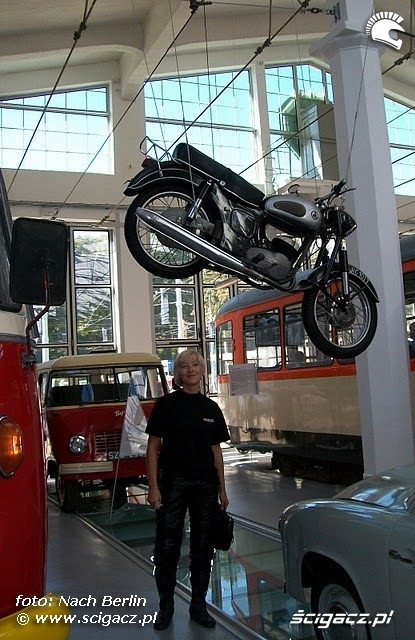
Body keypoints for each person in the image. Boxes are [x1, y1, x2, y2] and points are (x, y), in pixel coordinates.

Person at [145, 349, 229, 631]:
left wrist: (223, 489)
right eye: (184, 366)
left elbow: (216, 451)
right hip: (173, 484)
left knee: (203, 548)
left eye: (195, 365)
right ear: (178, 373)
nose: (190, 369)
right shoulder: (165, 405)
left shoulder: (211, 408)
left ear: (202, 370)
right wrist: (153, 487)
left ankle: (199, 606)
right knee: (167, 546)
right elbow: (153, 448)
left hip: (205, 484)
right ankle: (166, 607)